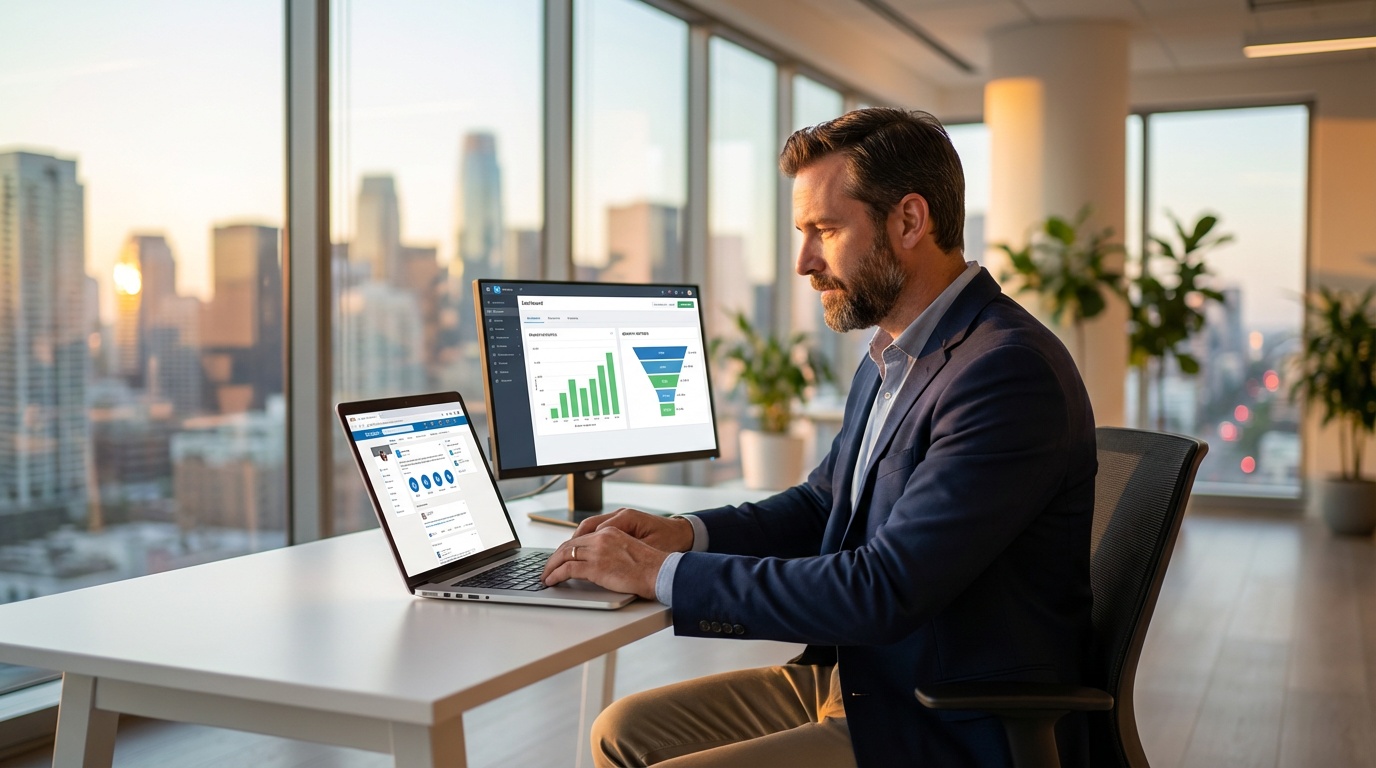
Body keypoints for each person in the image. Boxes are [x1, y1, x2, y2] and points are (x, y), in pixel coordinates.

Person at [540, 107, 1097, 767]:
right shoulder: (892, 352)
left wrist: (660, 574)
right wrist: (686, 535)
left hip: (942, 719)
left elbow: (883, 589)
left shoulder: (1004, 371)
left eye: (825, 231)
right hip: (856, 682)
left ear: (910, 221)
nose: (804, 261)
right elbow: (822, 504)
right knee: (621, 729)